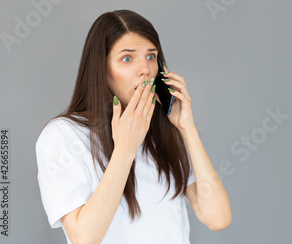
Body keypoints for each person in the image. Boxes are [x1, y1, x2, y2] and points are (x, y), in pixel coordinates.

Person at [35, 9, 231, 244]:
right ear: (101, 69)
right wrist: (125, 149)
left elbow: (217, 218)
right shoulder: (63, 135)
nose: (145, 70)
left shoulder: (164, 131)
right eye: (127, 58)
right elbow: (84, 238)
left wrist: (187, 129)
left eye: (151, 56)